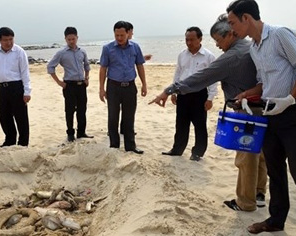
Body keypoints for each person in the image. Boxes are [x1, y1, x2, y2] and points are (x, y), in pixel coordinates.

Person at [149, 15, 267, 211]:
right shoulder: (249, 46)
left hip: (247, 110)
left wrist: (168, 90)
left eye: (219, 41)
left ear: (230, 34)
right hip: (262, 108)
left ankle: (246, 202)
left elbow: (200, 78)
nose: (218, 46)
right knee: (260, 154)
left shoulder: (231, 57)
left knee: (246, 158)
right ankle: (259, 193)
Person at [226, 0, 296, 235]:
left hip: (293, 115)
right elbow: (264, 82)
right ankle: (276, 220)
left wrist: (289, 98)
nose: (231, 29)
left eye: (232, 22)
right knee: (275, 170)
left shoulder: (280, 35)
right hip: (269, 115)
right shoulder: (254, 48)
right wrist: (248, 94)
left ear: (246, 18)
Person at [161, 26, 218, 161]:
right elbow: (178, 73)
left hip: (200, 95)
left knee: (200, 125)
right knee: (181, 123)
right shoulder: (182, 55)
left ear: (200, 39)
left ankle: (197, 152)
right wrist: (173, 92)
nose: (189, 43)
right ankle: (177, 149)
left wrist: (210, 98)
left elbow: (213, 79)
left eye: (192, 39)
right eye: (187, 39)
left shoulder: (209, 56)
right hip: (182, 94)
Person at [99, 20, 147, 154]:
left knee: (129, 117)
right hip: (113, 86)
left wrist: (144, 84)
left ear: (128, 33)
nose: (119, 38)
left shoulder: (135, 47)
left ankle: (130, 146)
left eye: (122, 35)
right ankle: (114, 145)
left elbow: (140, 65)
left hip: (130, 86)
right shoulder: (107, 48)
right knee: (113, 116)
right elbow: (103, 68)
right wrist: (101, 88)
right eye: (117, 35)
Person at [47, 27, 93, 142]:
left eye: (73, 39)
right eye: (69, 39)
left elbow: (87, 65)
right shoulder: (61, 53)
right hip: (69, 85)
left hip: (81, 84)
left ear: (77, 37)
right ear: (65, 39)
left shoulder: (82, 51)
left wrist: (87, 78)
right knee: (70, 110)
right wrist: (59, 82)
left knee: (82, 109)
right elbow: (50, 67)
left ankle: (81, 132)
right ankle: (70, 133)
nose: (71, 41)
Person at [0, 27, 31, 147]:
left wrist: (27, 91)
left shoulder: (19, 52)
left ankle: (23, 143)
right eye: (5, 40)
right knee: (4, 116)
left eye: (11, 39)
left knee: (21, 116)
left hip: (17, 87)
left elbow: (25, 72)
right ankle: (10, 140)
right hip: (3, 88)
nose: (9, 42)